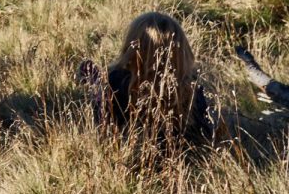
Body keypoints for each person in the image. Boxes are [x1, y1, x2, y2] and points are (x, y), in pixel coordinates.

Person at [77, 12, 224, 145]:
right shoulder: (189, 83)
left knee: (100, 89)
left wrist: (99, 90)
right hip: (182, 154)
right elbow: (204, 131)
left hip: (131, 153)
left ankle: (94, 83)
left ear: (132, 46)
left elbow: (101, 123)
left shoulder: (117, 79)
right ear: (181, 49)